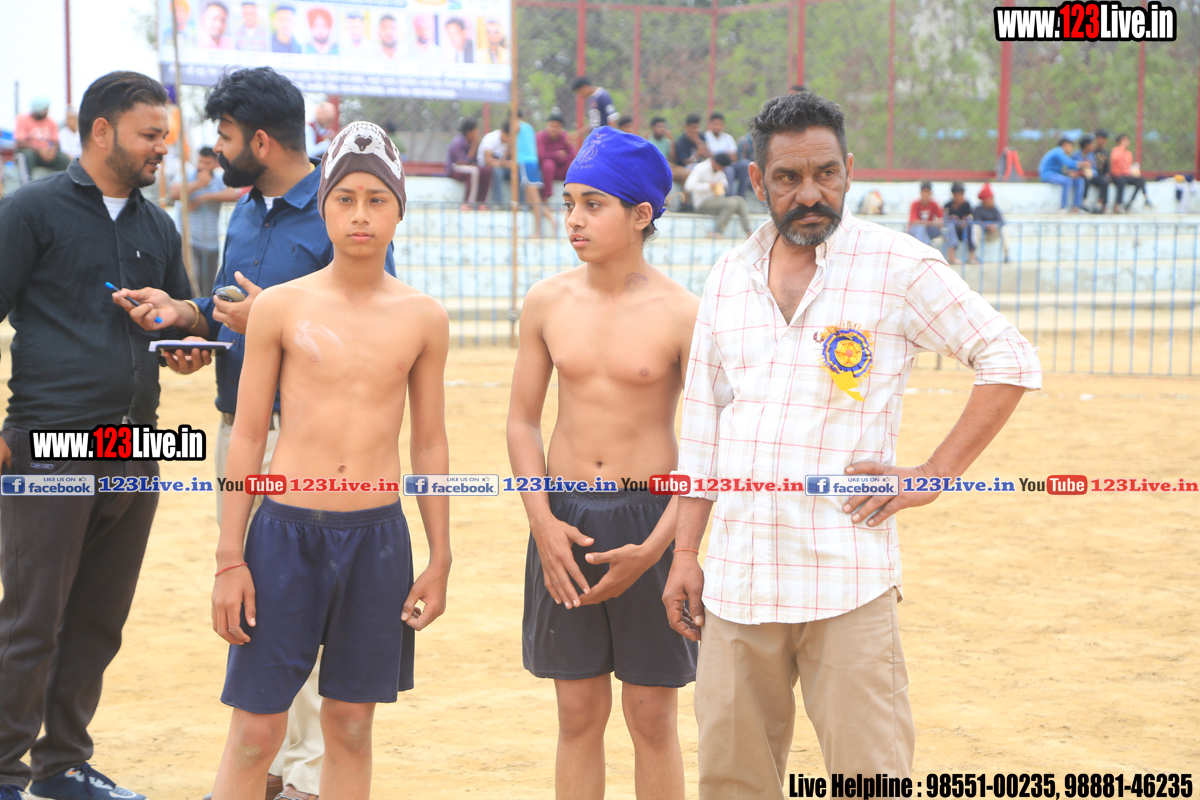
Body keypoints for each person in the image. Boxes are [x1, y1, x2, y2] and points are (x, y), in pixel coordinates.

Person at [663, 90, 1042, 798]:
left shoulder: (897, 266)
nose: (811, 194)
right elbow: (703, 427)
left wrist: (936, 472)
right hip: (738, 583)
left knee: (871, 782)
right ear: (757, 181)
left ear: (849, 170)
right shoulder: (727, 277)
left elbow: (1009, 357)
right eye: (788, 178)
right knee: (732, 783)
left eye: (826, 174)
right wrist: (686, 553)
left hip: (846, 580)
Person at [116, 67, 395, 800]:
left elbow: (373, 326)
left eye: (226, 136)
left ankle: (311, 775)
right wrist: (188, 320)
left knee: (312, 609)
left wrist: (277, 319)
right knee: (262, 606)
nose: (217, 149)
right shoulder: (245, 212)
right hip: (239, 431)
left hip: (312, 446)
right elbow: (229, 310)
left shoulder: (345, 207)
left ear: (262, 140)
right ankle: (278, 763)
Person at [207, 120, 451, 800]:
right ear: (323, 207)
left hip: (377, 540)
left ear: (399, 209)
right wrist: (230, 557)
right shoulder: (282, 308)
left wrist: (440, 555)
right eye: (345, 199)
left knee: (349, 726)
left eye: (377, 199)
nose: (360, 215)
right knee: (255, 731)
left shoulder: (423, 317)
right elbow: (247, 437)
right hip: (283, 536)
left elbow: (429, 443)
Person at [0, 70, 187, 800]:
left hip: (136, 448)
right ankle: (3, 772)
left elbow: (178, 321)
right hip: (50, 445)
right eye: (150, 135)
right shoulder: (30, 211)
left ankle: (62, 766)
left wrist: (181, 341)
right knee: (32, 621)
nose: (162, 148)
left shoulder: (157, 227)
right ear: (102, 131)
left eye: (165, 136)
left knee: (99, 620)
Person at [508, 126, 699, 800]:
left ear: (641, 214)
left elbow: (710, 448)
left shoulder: (684, 314)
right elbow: (522, 420)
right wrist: (542, 522)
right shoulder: (547, 301)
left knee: (652, 715)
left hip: (651, 516)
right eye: (569, 204)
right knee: (578, 712)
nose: (574, 220)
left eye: (593, 204)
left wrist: (658, 546)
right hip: (565, 519)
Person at [170, 146, 240, 294]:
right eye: (200, 161)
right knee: (191, 280)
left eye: (207, 163)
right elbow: (174, 193)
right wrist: (199, 184)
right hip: (189, 241)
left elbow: (233, 194)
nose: (202, 166)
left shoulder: (220, 178)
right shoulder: (187, 174)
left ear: (215, 163)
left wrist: (203, 197)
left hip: (211, 242)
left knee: (209, 285)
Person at [685, 152, 753, 238]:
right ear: (714, 163)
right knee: (732, 203)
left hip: (717, 200)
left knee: (739, 200)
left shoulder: (720, 171)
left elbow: (725, 183)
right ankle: (716, 231)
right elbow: (688, 185)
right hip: (702, 202)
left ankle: (748, 231)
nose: (721, 170)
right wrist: (708, 186)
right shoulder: (701, 168)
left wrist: (720, 185)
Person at [445, 118, 492, 209]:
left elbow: (475, 161)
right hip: (455, 168)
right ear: (469, 132)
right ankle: (468, 203)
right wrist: (474, 145)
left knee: (487, 170)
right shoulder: (458, 142)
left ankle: (481, 203)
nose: (477, 132)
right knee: (474, 171)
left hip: (469, 167)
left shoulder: (472, 141)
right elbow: (463, 162)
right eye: (475, 130)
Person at [15, 97, 69, 173]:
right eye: (45, 109)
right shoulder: (23, 120)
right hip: (33, 153)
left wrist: (52, 151)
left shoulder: (51, 122)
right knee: (27, 155)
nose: (47, 111)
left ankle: (62, 179)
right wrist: (40, 150)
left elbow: (56, 142)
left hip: (47, 154)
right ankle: (28, 179)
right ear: (39, 110)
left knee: (62, 158)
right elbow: (21, 142)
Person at [536, 114, 577, 203]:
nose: (553, 129)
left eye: (556, 127)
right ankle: (545, 197)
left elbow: (573, 155)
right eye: (551, 126)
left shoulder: (564, 137)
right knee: (548, 164)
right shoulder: (540, 136)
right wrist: (557, 154)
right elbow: (541, 155)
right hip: (547, 171)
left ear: (561, 128)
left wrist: (562, 158)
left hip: (561, 170)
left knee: (571, 164)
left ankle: (574, 194)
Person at [1038, 137, 1084, 212]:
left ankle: (1076, 207)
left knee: (1079, 181)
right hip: (1048, 174)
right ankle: (1063, 208)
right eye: (1070, 146)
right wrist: (1082, 164)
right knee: (1067, 181)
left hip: (1056, 173)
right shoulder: (1058, 152)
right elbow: (1069, 163)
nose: (1072, 149)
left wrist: (1068, 173)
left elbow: (1059, 169)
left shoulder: (1061, 153)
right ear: (1065, 144)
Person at [1110, 133, 1151, 213]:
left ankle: (1134, 202)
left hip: (1126, 175)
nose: (1127, 142)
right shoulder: (1116, 150)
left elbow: (1128, 166)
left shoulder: (1128, 153)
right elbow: (1115, 159)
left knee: (1140, 180)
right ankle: (1117, 205)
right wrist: (1122, 147)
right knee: (1121, 181)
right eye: (1124, 140)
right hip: (1117, 175)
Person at [943, 180, 975, 265]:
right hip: (953, 231)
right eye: (958, 194)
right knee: (951, 224)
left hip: (964, 231)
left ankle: (972, 255)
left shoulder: (966, 205)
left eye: (961, 194)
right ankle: (952, 255)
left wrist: (964, 221)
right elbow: (944, 220)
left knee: (970, 224)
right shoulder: (948, 206)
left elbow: (971, 216)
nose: (960, 197)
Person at [972, 183, 1006, 262]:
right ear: (986, 200)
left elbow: (1001, 222)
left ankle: (1006, 254)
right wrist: (987, 226)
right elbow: (977, 221)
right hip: (983, 234)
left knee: (1004, 229)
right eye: (991, 198)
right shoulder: (978, 209)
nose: (993, 200)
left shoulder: (995, 209)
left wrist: (995, 226)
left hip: (993, 233)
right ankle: (973, 254)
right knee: (976, 228)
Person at [479, 122, 511, 205]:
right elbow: (488, 161)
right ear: (503, 132)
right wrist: (505, 163)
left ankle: (520, 203)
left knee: (516, 172)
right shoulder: (491, 138)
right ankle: (498, 203)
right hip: (485, 167)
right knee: (497, 172)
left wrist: (508, 148)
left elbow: (504, 159)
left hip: (500, 166)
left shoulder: (508, 143)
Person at [907, 180, 943, 244]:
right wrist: (930, 223)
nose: (925, 194)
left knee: (944, 229)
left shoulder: (934, 204)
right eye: (923, 191)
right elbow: (914, 222)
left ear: (930, 193)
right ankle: (924, 245)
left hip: (928, 230)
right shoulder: (915, 204)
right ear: (920, 193)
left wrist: (938, 222)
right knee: (920, 228)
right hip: (915, 230)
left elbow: (941, 219)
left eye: (927, 192)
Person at [1087, 128, 1112, 213]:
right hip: (1093, 175)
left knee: (1106, 180)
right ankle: (1097, 203)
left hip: (1102, 176)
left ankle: (1102, 204)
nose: (1104, 140)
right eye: (1102, 138)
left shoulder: (1105, 152)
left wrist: (1108, 174)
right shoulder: (1091, 151)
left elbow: (1107, 167)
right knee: (1103, 180)